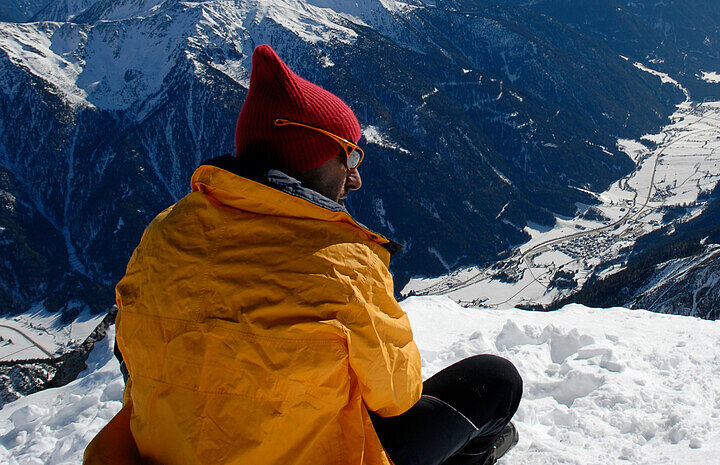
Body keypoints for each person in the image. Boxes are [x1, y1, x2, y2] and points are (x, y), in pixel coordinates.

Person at [85, 44, 522, 465]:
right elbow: (397, 393)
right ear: (305, 157)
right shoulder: (340, 263)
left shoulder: (163, 235)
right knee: (496, 382)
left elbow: (135, 361)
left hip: (166, 452)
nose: (355, 179)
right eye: (349, 155)